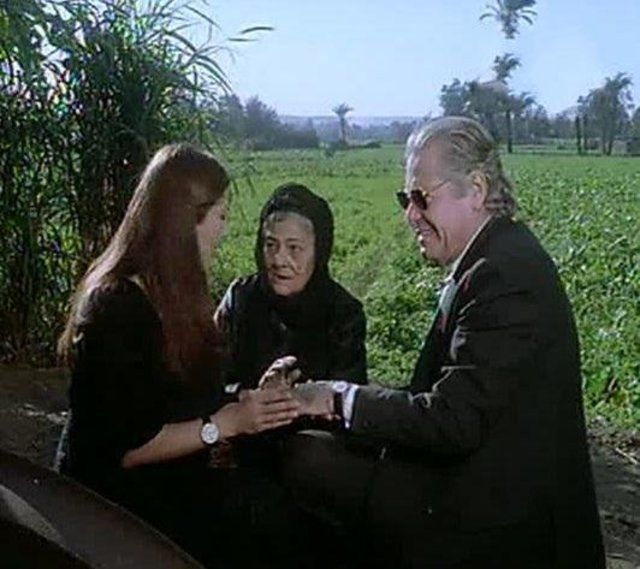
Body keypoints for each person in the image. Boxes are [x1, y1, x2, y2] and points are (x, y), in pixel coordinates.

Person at [286, 117, 605, 568]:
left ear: (475, 189)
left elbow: (454, 420)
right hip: (484, 489)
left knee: (307, 461)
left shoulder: (504, 275)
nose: (410, 215)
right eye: (405, 199)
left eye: (421, 198)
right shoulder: (494, 257)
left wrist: (336, 399)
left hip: (502, 528)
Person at [57, 144, 302, 568]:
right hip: (112, 509)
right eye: (221, 216)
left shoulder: (171, 296)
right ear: (186, 222)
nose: (224, 230)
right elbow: (125, 448)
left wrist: (245, 400)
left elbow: (179, 399)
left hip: (171, 484)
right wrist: (225, 424)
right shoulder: (116, 307)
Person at [214, 182, 367, 392]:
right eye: (270, 245)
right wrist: (253, 395)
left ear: (319, 251)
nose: (279, 260)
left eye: (294, 248)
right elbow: (207, 381)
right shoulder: (240, 297)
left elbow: (347, 396)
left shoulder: (344, 314)